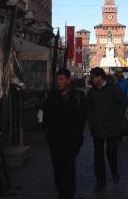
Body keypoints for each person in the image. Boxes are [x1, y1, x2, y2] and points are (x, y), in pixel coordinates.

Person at [42, 68, 87, 199]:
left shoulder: (78, 96)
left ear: (68, 80)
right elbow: (46, 116)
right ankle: (61, 190)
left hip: (71, 139)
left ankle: (69, 194)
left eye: (61, 79)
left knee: (69, 167)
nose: (58, 82)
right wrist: (48, 134)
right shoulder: (52, 96)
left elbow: (83, 117)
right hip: (55, 140)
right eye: (57, 79)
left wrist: (78, 135)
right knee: (57, 167)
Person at [86, 67, 127, 190]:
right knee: (98, 156)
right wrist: (91, 119)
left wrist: (117, 118)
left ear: (100, 77)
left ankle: (114, 171)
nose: (91, 79)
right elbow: (87, 108)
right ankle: (100, 182)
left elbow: (123, 103)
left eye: (93, 77)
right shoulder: (91, 92)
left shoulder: (113, 89)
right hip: (97, 127)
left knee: (111, 153)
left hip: (111, 126)